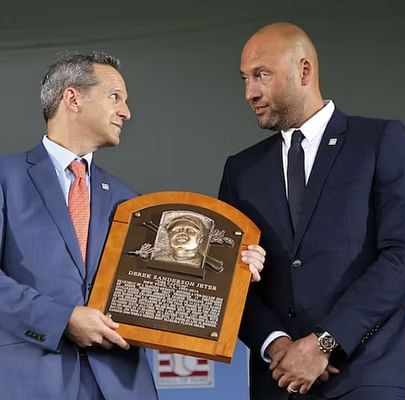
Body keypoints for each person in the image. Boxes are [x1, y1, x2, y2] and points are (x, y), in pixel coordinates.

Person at [0, 52, 265, 400]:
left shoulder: (131, 203)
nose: (127, 111)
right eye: (115, 97)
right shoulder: (7, 179)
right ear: (72, 98)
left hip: (121, 385)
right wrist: (62, 319)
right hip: (29, 382)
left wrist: (235, 268)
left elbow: (168, 282)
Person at [219, 22, 405, 400]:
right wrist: (277, 345)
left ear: (304, 71)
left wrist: (324, 343)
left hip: (366, 375)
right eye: (245, 78)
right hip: (278, 382)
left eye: (262, 75)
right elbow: (233, 276)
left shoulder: (379, 141)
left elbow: (402, 256)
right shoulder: (241, 170)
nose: (250, 92)